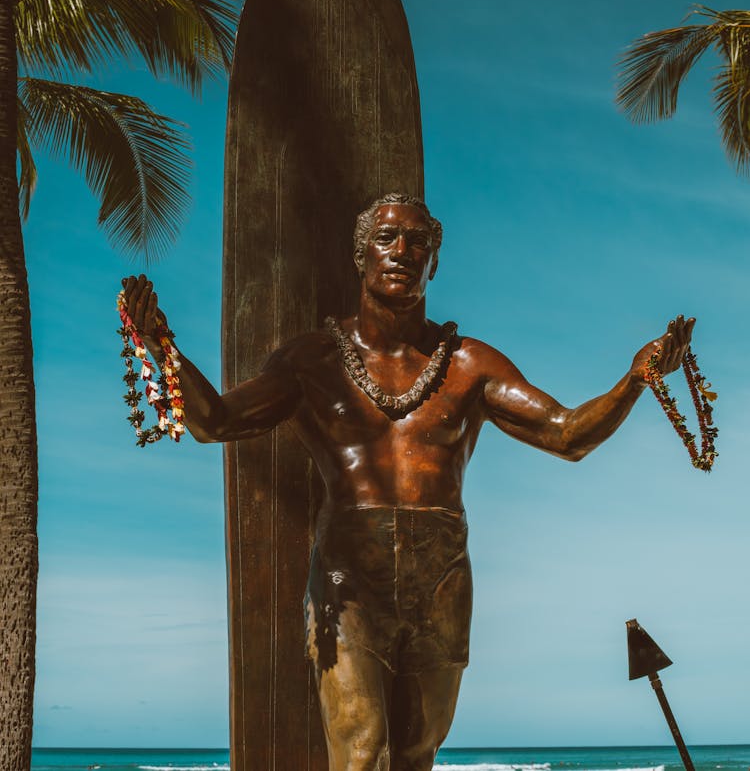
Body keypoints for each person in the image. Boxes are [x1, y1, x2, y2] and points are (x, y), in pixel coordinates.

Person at [121, 193, 694, 771]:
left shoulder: (471, 364)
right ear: (360, 255)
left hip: (442, 575)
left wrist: (635, 377)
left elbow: (567, 434)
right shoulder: (312, 361)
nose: (403, 252)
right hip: (349, 572)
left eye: (418, 242)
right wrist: (160, 344)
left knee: (417, 754)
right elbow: (215, 420)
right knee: (362, 750)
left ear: (434, 263)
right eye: (388, 238)